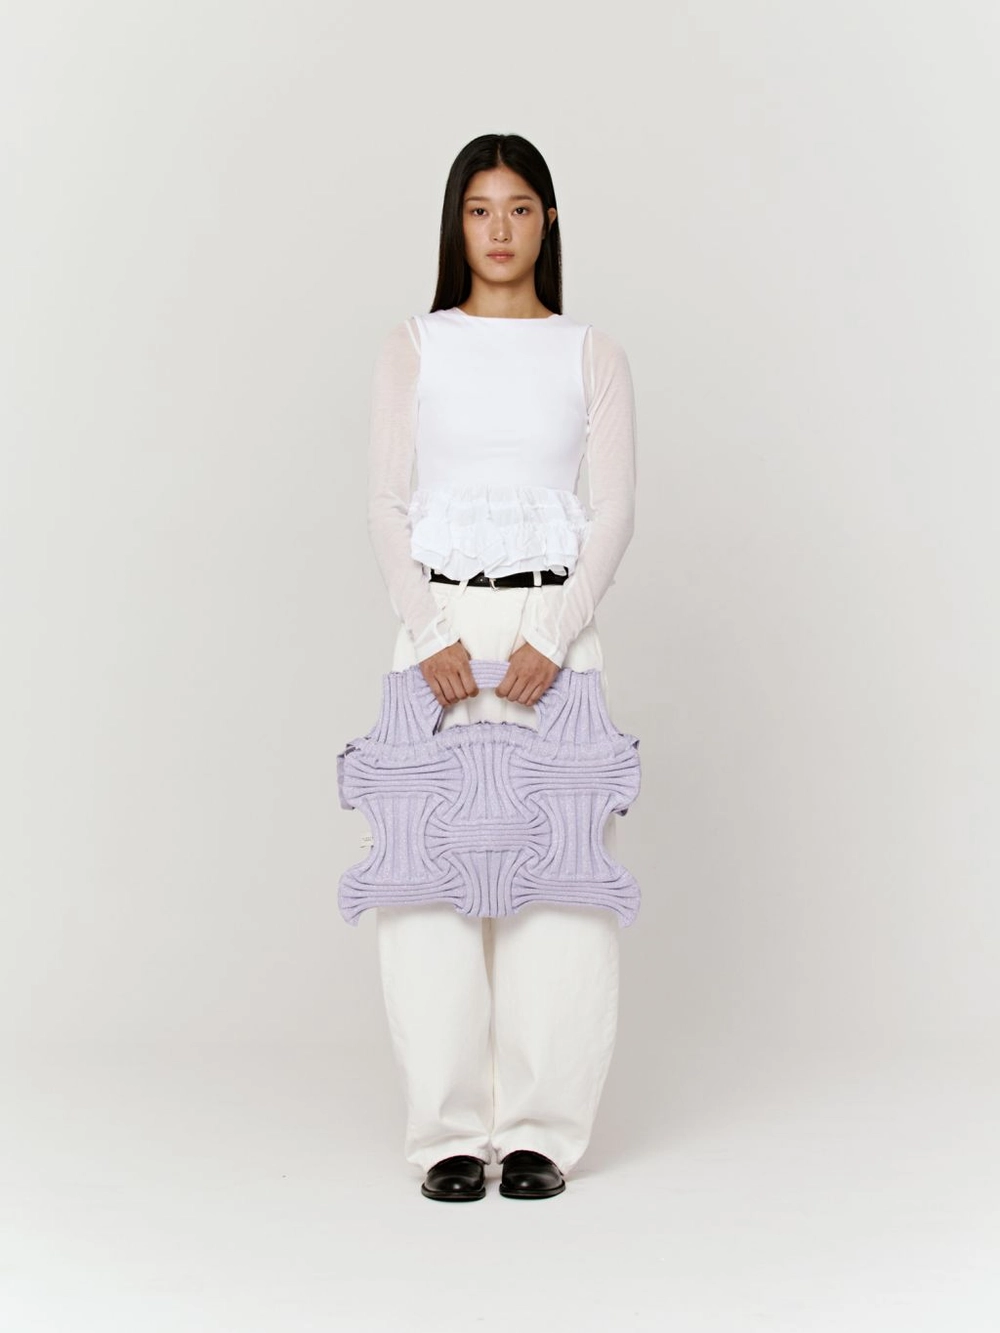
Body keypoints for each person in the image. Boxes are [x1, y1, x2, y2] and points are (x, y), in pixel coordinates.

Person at [366, 132, 637, 1201]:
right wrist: (431, 634)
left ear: (548, 222)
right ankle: (445, 1133)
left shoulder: (590, 353)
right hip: (435, 625)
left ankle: (539, 1133)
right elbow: (385, 503)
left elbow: (613, 512)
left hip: (552, 630)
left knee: (560, 879)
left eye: (519, 208)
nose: (498, 230)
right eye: (479, 210)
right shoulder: (414, 346)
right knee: (426, 879)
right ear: (456, 224)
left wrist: (552, 636)